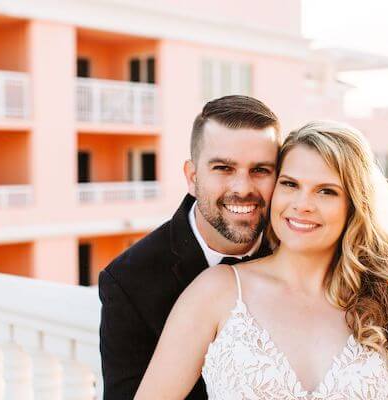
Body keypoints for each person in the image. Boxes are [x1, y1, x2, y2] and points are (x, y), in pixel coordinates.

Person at [135, 121, 388, 399]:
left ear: (354, 205)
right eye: (290, 184)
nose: (302, 204)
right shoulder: (216, 293)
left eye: (326, 191)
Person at [98, 95, 282, 399]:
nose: (243, 188)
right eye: (224, 168)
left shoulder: (299, 252)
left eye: (260, 170)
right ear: (192, 177)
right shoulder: (129, 281)